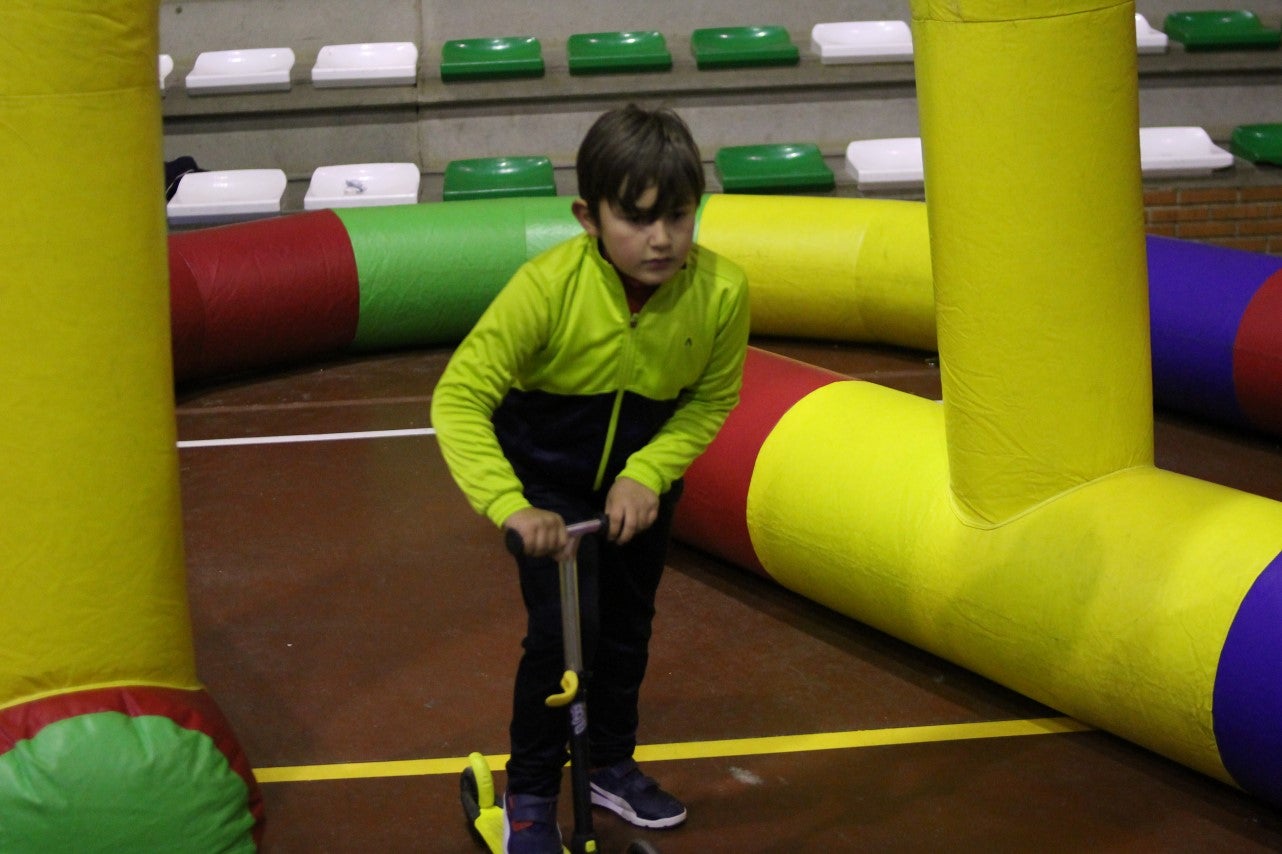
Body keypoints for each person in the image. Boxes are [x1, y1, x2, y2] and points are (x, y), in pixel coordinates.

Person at [431, 103, 750, 854]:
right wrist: (511, 506)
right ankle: (533, 794)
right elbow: (460, 396)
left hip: (637, 492)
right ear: (588, 216)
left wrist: (648, 473)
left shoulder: (723, 292)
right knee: (561, 638)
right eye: (637, 219)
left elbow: (712, 396)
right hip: (546, 488)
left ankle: (608, 762)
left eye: (678, 215)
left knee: (627, 630)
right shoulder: (545, 291)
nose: (662, 239)